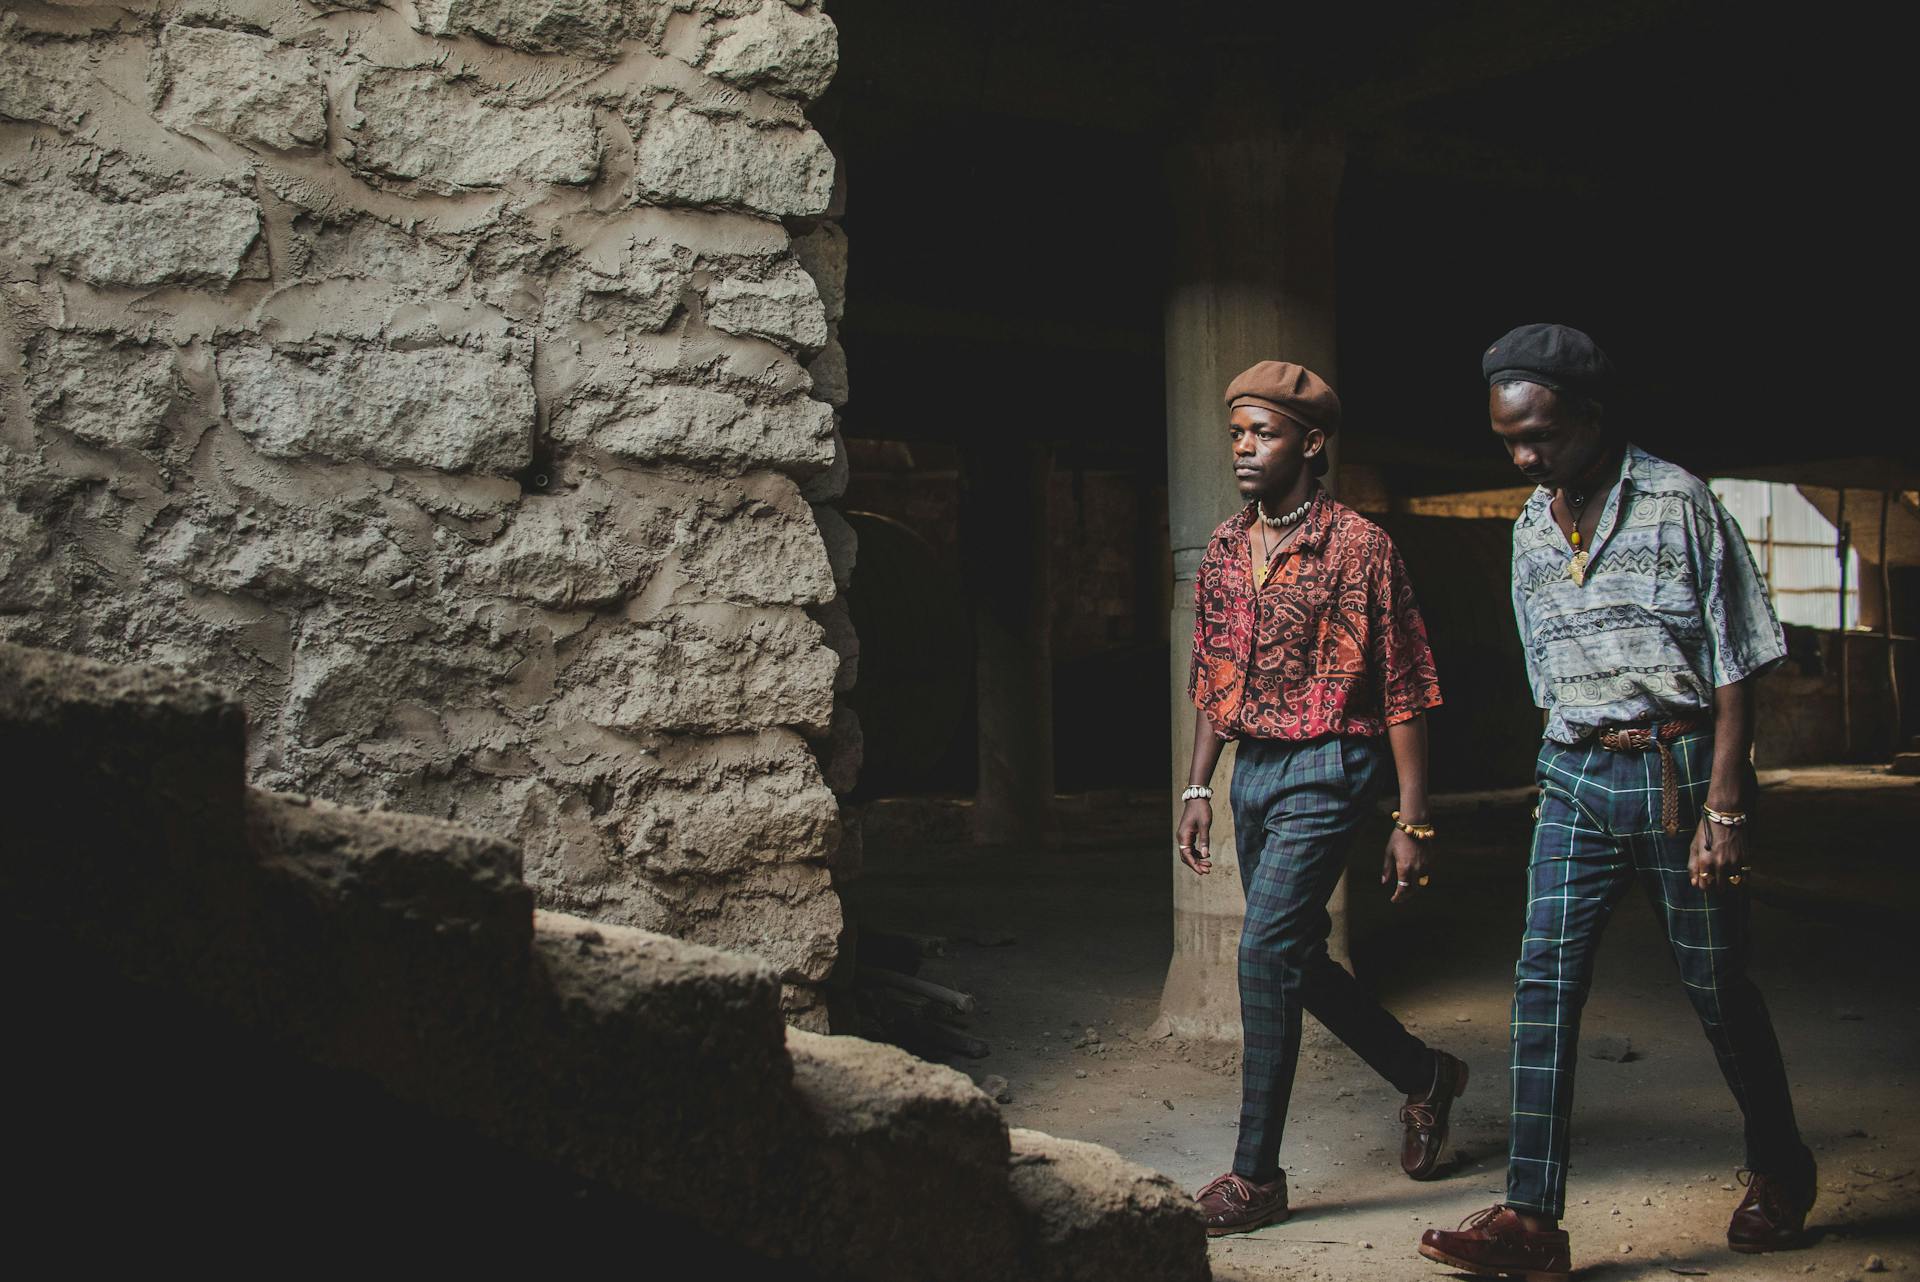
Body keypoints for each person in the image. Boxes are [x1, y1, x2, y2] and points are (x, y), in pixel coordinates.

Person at [1419, 324, 1815, 1281]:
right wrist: (1562, 764)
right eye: (1507, 438)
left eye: (1541, 435)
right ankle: (1531, 1219)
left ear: (1591, 417)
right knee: (1543, 983)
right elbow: (1548, 671)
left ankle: (1781, 1166)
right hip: (1573, 775)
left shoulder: (1680, 502)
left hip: (1680, 773)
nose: (1523, 456)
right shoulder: (1529, 527)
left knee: (1719, 986)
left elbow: (1734, 663)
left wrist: (1726, 806)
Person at [1181, 360, 1463, 1236]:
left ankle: (1256, 1177)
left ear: (1310, 442)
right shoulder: (1227, 547)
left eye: (1261, 433)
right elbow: (1216, 674)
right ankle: (1425, 1076)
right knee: (1295, 960)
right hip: (1253, 770)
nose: (1243, 449)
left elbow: (1405, 684)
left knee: (1262, 954)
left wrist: (1412, 817)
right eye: (1235, 434)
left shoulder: (1361, 547)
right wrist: (1199, 781)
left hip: (1332, 766)